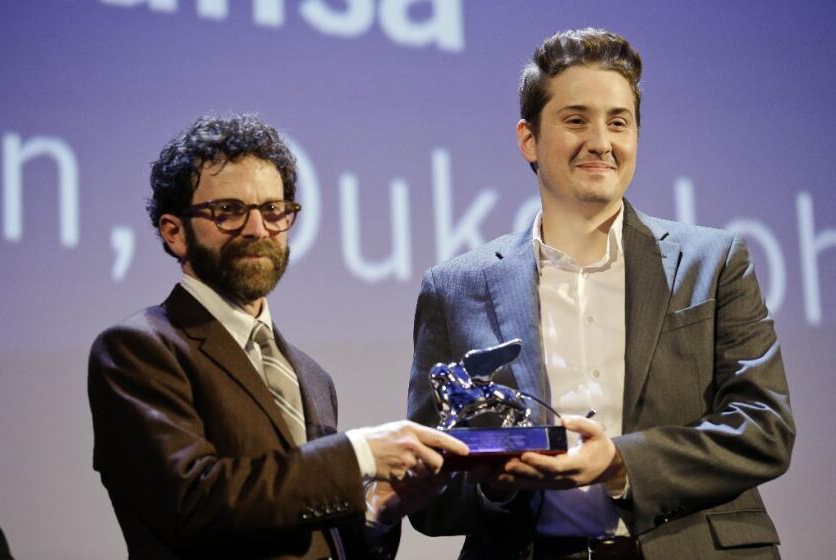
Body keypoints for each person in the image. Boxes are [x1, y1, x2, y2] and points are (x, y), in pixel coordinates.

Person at [406, 28, 794, 560]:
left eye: (619, 122)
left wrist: (621, 463)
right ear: (528, 139)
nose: (601, 142)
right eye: (575, 120)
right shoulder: (456, 288)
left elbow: (764, 428)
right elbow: (430, 496)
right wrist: (496, 483)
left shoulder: (714, 261)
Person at [88, 113, 467, 560]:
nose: (257, 229)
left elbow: (304, 526)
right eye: (227, 211)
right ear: (174, 233)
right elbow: (192, 505)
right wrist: (358, 454)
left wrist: (375, 511)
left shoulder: (311, 375)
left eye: (273, 210)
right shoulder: (139, 349)